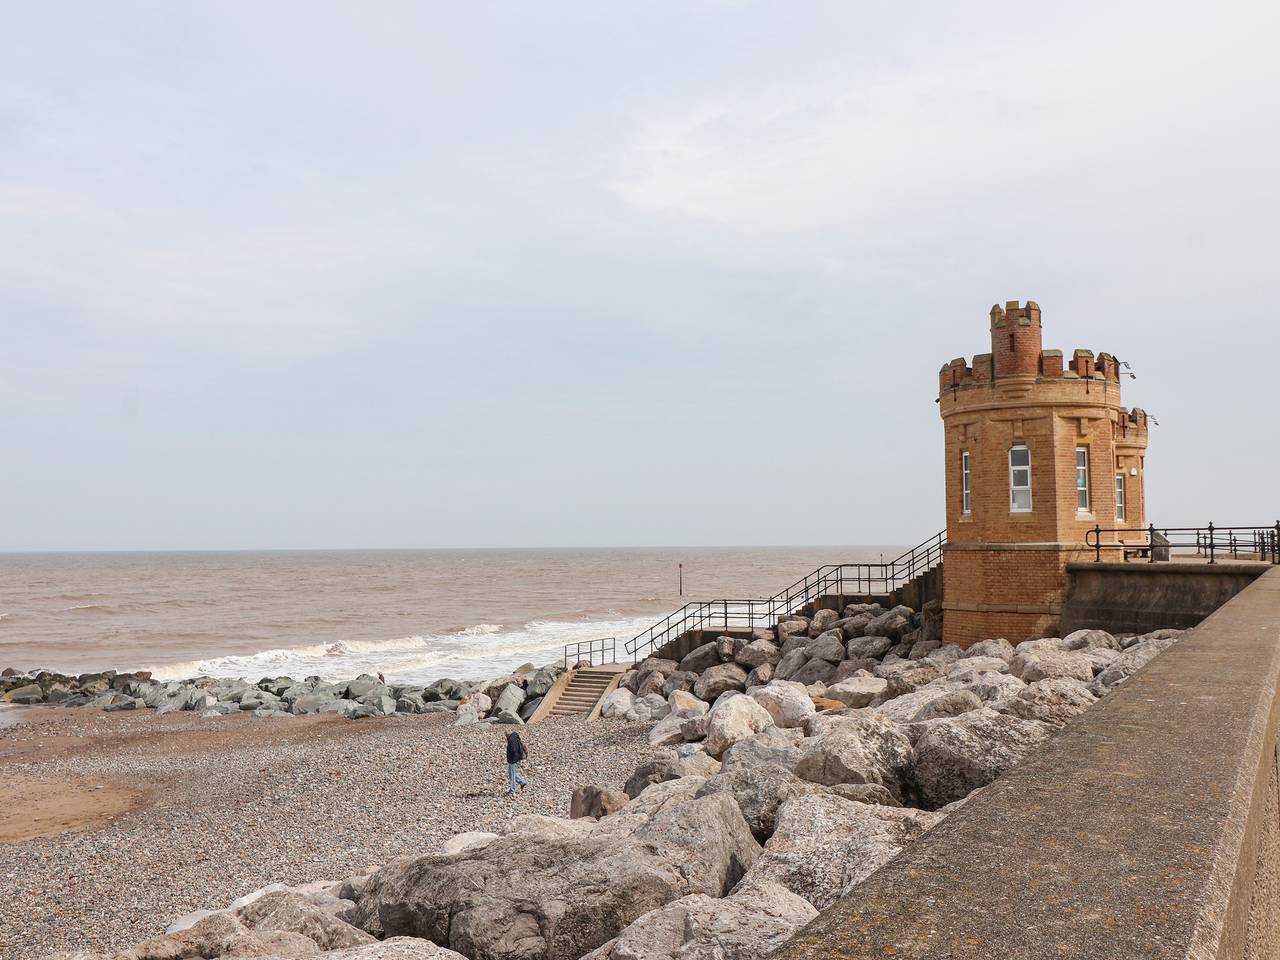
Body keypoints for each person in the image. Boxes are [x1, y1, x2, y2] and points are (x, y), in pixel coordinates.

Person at [505, 730, 529, 798]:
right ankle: (522, 782)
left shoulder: (511, 740)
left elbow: (513, 750)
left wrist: (511, 757)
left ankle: (512, 790)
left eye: (506, 735)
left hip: (513, 760)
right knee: (512, 773)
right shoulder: (515, 736)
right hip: (516, 759)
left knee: (512, 775)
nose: (505, 737)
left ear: (508, 735)